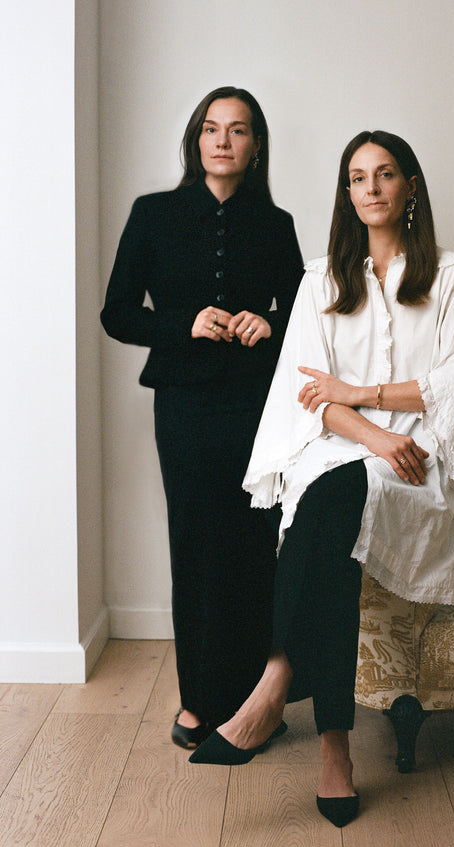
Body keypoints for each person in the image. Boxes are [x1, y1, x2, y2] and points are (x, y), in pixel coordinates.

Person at [189, 130, 454, 827]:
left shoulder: (451, 275)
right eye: (358, 177)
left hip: (421, 460)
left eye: (385, 174)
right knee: (328, 502)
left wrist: (363, 398)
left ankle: (278, 680)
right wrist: (373, 433)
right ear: (347, 193)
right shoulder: (321, 281)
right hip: (345, 450)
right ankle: (331, 750)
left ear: (410, 186)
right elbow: (309, 394)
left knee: (330, 505)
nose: (371, 188)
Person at [101, 86, 304, 750]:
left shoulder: (276, 224)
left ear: (255, 146)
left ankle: (254, 701)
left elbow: (303, 319)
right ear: (195, 140)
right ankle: (197, 700)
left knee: (254, 544)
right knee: (195, 544)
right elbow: (117, 313)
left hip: (257, 404)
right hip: (185, 404)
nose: (222, 140)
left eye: (237, 130)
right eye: (211, 128)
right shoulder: (153, 214)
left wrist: (268, 325)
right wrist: (182, 324)